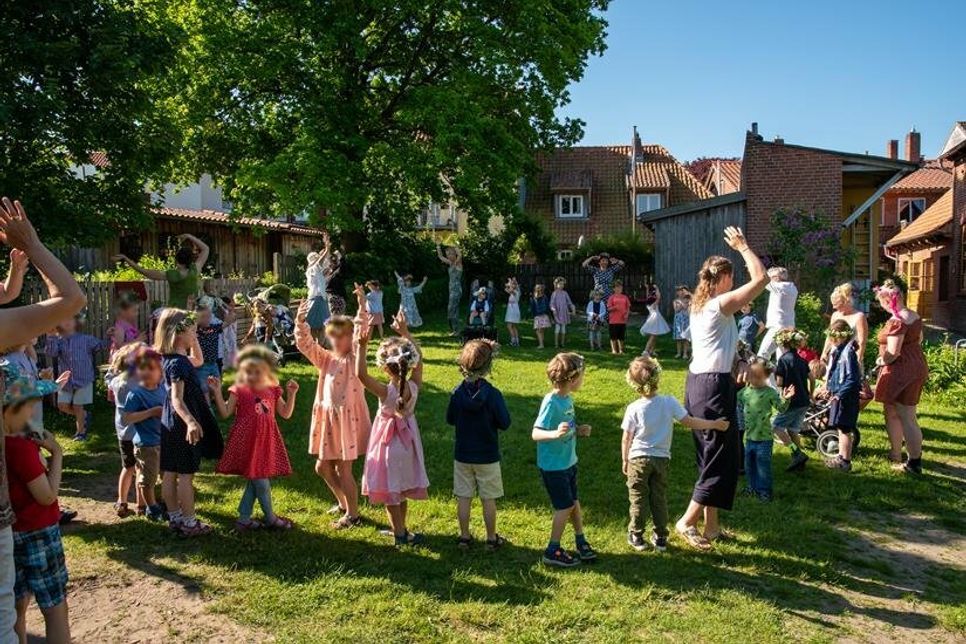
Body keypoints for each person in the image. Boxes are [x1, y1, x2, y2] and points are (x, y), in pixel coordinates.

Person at [0, 197, 86, 643]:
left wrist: (15, 270)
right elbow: (69, 298)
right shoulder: (23, 443)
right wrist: (30, 246)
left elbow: (8, 295)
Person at [675, 227, 768, 551]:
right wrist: (743, 246)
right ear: (724, 278)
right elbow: (761, 279)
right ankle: (687, 522)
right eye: (732, 277)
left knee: (715, 457)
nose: (735, 283)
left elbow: (727, 344)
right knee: (718, 458)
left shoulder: (703, 306)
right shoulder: (718, 306)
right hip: (712, 388)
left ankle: (712, 527)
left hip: (705, 384)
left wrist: (741, 360)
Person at [622, 356, 728, 552]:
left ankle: (637, 535)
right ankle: (661, 537)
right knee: (659, 497)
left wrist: (625, 459)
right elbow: (689, 421)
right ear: (657, 378)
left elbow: (626, 438)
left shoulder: (633, 408)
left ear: (634, 384)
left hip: (637, 460)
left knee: (638, 497)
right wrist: (714, 424)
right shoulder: (668, 402)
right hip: (661, 460)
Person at [294, 285, 371, 529]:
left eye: (342, 336)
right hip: (328, 419)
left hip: (347, 421)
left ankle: (353, 515)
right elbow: (305, 345)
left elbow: (361, 335)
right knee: (322, 466)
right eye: (332, 336)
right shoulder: (326, 358)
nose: (336, 340)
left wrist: (361, 305)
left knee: (343, 468)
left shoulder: (353, 359)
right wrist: (300, 322)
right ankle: (344, 503)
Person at [3, 375, 70, 644]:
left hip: (10, 534)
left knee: (15, 608)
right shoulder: (20, 448)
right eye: (29, 405)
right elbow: (47, 495)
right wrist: (57, 453)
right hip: (38, 533)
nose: (33, 412)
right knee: (55, 608)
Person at [356, 313, 430, 547]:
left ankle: (399, 533)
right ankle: (402, 528)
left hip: (388, 445)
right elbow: (420, 361)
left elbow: (361, 375)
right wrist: (406, 333)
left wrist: (362, 345)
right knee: (402, 489)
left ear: (386, 369)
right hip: (408, 444)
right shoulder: (414, 385)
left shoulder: (384, 391)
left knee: (390, 493)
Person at [210, 345, 299, 531]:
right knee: (260, 480)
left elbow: (285, 413)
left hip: (266, 439)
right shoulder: (239, 389)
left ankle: (243, 518)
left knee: (255, 477)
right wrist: (217, 392)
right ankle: (271, 518)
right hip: (247, 440)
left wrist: (291, 395)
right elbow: (226, 412)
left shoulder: (273, 388)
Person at [155, 308, 223, 537]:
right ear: (177, 333)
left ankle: (174, 517)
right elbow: (177, 398)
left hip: (169, 422)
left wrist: (192, 340)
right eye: (192, 330)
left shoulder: (173, 359)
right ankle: (190, 522)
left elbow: (200, 360)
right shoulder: (178, 364)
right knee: (185, 474)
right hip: (182, 421)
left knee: (170, 471)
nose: (197, 334)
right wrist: (191, 422)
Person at [532, 352, 595, 568]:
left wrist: (578, 430)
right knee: (564, 506)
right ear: (572, 379)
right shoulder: (551, 402)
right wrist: (554, 434)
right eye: (583, 376)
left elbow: (566, 426)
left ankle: (580, 539)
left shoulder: (567, 398)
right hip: (554, 466)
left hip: (568, 461)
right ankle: (552, 550)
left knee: (574, 502)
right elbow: (536, 433)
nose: (583, 380)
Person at [446, 340, 511, 550]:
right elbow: (505, 422)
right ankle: (491, 538)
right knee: (488, 498)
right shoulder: (493, 395)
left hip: (463, 453)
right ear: (489, 366)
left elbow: (450, 419)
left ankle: (464, 537)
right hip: (487, 455)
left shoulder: (457, 393)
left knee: (463, 497)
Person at [873, 279, 928, 474]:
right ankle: (900, 454)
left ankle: (914, 463)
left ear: (889, 301)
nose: (880, 305)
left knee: (907, 417)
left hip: (902, 369)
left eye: (881, 301)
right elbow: (918, 340)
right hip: (916, 365)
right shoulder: (914, 315)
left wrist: (881, 361)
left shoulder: (898, 320)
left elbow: (893, 351)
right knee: (905, 415)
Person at [46, 316, 110, 441]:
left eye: (70, 319)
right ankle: (84, 416)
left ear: (76, 323)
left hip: (84, 378)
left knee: (78, 406)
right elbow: (51, 353)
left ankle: (80, 433)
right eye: (63, 320)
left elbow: (102, 345)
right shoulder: (58, 340)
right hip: (66, 380)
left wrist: (110, 336)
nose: (67, 322)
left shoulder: (86, 339)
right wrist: (51, 336)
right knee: (62, 405)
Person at [738, 360, 795, 501]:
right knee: (749, 465)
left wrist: (786, 399)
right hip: (750, 438)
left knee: (763, 466)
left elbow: (781, 408)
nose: (753, 380)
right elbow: (737, 405)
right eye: (751, 376)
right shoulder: (743, 393)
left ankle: (765, 491)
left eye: (757, 377)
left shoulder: (770, 393)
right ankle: (752, 486)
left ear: (765, 376)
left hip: (764, 440)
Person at [121, 347, 167, 521]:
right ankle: (151, 508)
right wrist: (151, 412)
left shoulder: (163, 390)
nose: (147, 372)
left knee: (165, 474)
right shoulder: (135, 394)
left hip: (163, 441)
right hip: (146, 444)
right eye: (143, 368)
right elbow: (126, 418)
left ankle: (163, 503)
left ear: (160, 372)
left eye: (152, 368)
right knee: (147, 479)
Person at [113, 233, 209, 309]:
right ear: (190, 260)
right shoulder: (195, 269)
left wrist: (126, 258)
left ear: (176, 260)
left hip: (175, 312)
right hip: (192, 311)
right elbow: (206, 248)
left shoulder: (173, 275)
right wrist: (189, 236)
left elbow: (143, 271)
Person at [105, 342, 146, 518]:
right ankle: (141, 505)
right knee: (141, 469)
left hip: (124, 432)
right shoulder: (141, 383)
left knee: (127, 467)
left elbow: (108, 378)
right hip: (140, 432)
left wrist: (114, 361)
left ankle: (121, 501)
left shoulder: (116, 381)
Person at [821, 321, 863, 472]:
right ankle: (840, 456)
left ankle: (845, 461)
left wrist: (839, 394)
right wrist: (830, 388)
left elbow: (852, 378)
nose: (831, 340)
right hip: (840, 394)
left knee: (845, 428)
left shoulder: (848, 354)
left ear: (842, 336)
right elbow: (836, 374)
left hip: (846, 397)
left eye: (834, 336)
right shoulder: (840, 350)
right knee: (840, 427)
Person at [772, 328, 812, 472]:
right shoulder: (802, 360)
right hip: (804, 401)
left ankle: (797, 453)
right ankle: (799, 461)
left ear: (784, 344)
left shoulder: (783, 360)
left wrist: (775, 372)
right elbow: (812, 378)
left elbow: (779, 383)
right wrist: (811, 393)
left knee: (776, 427)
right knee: (793, 430)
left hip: (792, 401)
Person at [822, 282, 870, 369]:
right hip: (835, 355)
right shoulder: (835, 315)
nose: (834, 308)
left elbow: (862, 342)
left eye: (837, 305)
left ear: (846, 302)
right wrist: (824, 353)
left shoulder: (859, 316)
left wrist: (858, 359)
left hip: (851, 356)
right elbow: (830, 336)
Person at [757, 267, 798, 361]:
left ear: (776, 278)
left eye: (771, 277)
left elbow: (761, 280)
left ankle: (761, 375)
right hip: (789, 328)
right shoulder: (793, 288)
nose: (770, 279)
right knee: (783, 360)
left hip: (778, 327)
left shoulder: (780, 287)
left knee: (762, 355)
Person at [305, 234, 332, 337]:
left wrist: (327, 249)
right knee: (314, 325)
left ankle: (319, 347)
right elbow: (322, 259)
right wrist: (327, 246)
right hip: (316, 298)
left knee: (321, 325)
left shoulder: (315, 270)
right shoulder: (313, 268)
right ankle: (316, 347)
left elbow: (324, 261)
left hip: (320, 298)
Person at [194, 304, 224, 397]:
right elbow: (190, 322)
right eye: (203, 317)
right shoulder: (196, 331)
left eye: (209, 316)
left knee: (217, 384)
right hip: (201, 365)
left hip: (213, 363)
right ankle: (208, 408)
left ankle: (218, 400)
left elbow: (230, 320)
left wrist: (226, 308)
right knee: (204, 388)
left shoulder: (214, 328)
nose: (207, 319)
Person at [437, 242, 464, 335]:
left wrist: (455, 245)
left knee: (452, 310)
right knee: (453, 310)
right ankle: (455, 330)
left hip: (456, 291)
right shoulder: (450, 264)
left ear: (454, 254)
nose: (449, 256)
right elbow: (440, 257)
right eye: (447, 254)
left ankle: (456, 329)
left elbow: (460, 255)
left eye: (451, 254)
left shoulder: (458, 263)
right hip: (451, 290)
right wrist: (438, 246)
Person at [639, 285, 671, 355]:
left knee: (654, 336)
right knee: (653, 335)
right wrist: (657, 288)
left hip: (652, 317)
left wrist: (647, 288)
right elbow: (659, 297)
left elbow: (648, 296)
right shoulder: (654, 304)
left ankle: (651, 350)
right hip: (655, 318)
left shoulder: (648, 303)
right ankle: (646, 350)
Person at [110, 291, 143, 356]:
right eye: (134, 310)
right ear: (123, 311)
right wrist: (137, 340)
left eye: (137, 310)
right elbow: (119, 347)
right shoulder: (119, 327)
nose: (137, 313)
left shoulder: (131, 324)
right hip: (120, 361)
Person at [549, 278, 576, 349]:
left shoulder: (565, 293)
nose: (562, 285)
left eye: (563, 284)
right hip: (557, 313)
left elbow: (569, 302)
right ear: (556, 284)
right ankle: (556, 344)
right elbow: (551, 304)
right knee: (557, 328)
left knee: (563, 328)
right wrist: (553, 309)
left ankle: (562, 343)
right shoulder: (554, 293)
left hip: (564, 313)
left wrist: (572, 308)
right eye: (560, 284)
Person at [606, 280, 631, 355]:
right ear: (613, 289)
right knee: (613, 336)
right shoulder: (611, 297)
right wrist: (614, 307)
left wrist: (627, 314)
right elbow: (608, 309)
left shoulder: (625, 297)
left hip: (622, 320)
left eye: (620, 287)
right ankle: (613, 350)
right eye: (617, 287)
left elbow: (628, 307)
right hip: (613, 321)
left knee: (621, 336)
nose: (618, 289)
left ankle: (621, 350)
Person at [672, 286, 692, 360]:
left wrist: (683, 303)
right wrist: (681, 304)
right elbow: (676, 310)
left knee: (685, 337)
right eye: (679, 291)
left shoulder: (688, 300)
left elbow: (687, 307)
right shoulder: (675, 301)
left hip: (686, 320)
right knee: (678, 338)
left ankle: (685, 353)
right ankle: (678, 353)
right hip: (678, 320)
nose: (680, 293)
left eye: (682, 291)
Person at [530, 284, 551, 350]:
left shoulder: (541, 297)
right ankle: (541, 343)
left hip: (541, 315)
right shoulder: (537, 297)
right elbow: (533, 307)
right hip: (540, 316)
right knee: (540, 331)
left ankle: (541, 344)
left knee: (539, 331)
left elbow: (547, 306)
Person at [220, 296, 239, 368]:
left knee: (230, 348)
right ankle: (228, 365)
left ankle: (230, 364)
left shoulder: (229, 313)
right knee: (228, 348)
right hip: (227, 334)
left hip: (230, 334)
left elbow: (229, 320)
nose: (233, 305)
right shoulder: (226, 312)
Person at [504, 278, 521, 348]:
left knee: (509, 326)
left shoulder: (516, 292)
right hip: (512, 309)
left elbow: (510, 290)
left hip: (513, 310)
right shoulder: (514, 291)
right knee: (513, 326)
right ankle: (516, 341)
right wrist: (509, 284)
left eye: (514, 284)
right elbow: (506, 289)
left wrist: (510, 283)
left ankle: (513, 341)